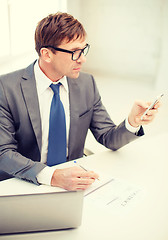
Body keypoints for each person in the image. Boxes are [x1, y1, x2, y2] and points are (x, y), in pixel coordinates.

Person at [0, 12, 160, 191]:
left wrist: (132, 122)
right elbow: (3, 153)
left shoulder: (86, 84)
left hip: (73, 180)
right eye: (75, 52)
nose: (83, 59)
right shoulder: (6, 88)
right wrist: (52, 176)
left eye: (83, 50)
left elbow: (108, 137)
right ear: (46, 54)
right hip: (25, 181)